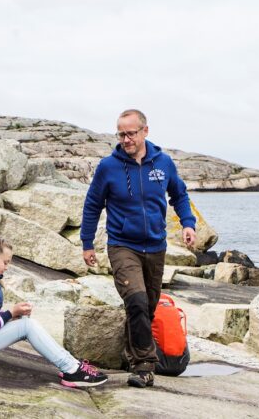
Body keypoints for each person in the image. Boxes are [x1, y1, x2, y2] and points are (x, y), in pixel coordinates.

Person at [79, 108, 197, 388]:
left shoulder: (163, 163)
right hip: (122, 244)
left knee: (148, 307)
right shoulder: (109, 167)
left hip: (156, 246)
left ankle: (130, 352)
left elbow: (179, 195)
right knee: (136, 300)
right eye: (121, 134)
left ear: (145, 131)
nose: (126, 139)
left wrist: (188, 224)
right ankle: (144, 366)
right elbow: (92, 204)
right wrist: (87, 243)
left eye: (131, 133)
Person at [0, 236, 108, 388]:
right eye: (5, 262)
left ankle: (71, 365)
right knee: (26, 326)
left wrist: (13, 316)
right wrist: (10, 313)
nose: (7, 267)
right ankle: (72, 370)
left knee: (25, 324)